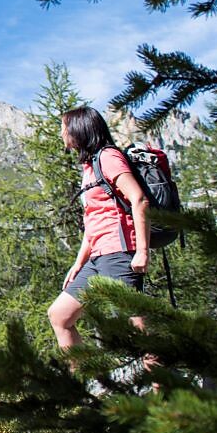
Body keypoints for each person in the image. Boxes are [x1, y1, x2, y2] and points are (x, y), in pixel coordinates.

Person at [50, 105, 151, 351]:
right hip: (97, 256)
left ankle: (164, 386)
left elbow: (139, 199)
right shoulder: (90, 166)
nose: (62, 134)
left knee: (139, 330)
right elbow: (93, 222)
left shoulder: (108, 157)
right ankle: (76, 385)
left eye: (64, 128)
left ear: (79, 129)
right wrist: (78, 263)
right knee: (60, 316)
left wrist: (142, 251)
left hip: (119, 253)